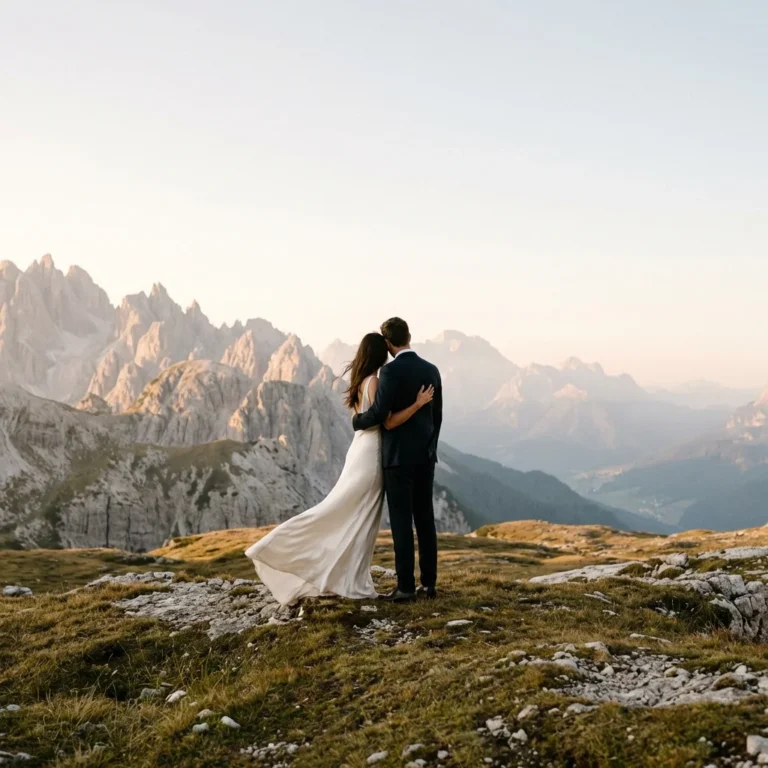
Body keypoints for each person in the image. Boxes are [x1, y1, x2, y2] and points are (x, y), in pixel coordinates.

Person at [244, 331, 434, 606]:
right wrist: (417, 403)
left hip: (360, 451)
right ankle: (281, 547)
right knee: (351, 512)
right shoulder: (375, 382)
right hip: (372, 455)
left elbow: (367, 417)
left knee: (353, 512)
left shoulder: (359, 381)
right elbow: (385, 420)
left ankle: (348, 575)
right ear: (381, 353)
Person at [352, 317, 443, 602]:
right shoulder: (432, 370)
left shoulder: (389, 373)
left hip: (398, 458)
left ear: (389, 343)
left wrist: (357, 421)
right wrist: (431, 447)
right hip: (426, 457)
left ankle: (405, 587)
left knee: (402, 522)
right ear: (409, 336)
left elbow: (379, 415)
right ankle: (428, 584)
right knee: (425, 520)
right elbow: (437, 417)